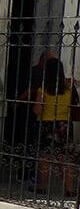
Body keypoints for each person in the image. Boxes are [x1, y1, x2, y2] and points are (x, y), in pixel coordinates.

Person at [31, 58, 80, 197]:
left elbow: (37, 110)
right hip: (64, 125)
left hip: (46, 125)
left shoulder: (43, 89)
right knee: (65, 158)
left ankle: (42, 187)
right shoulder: (69, 89)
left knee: (45, 157)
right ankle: (69, 190)